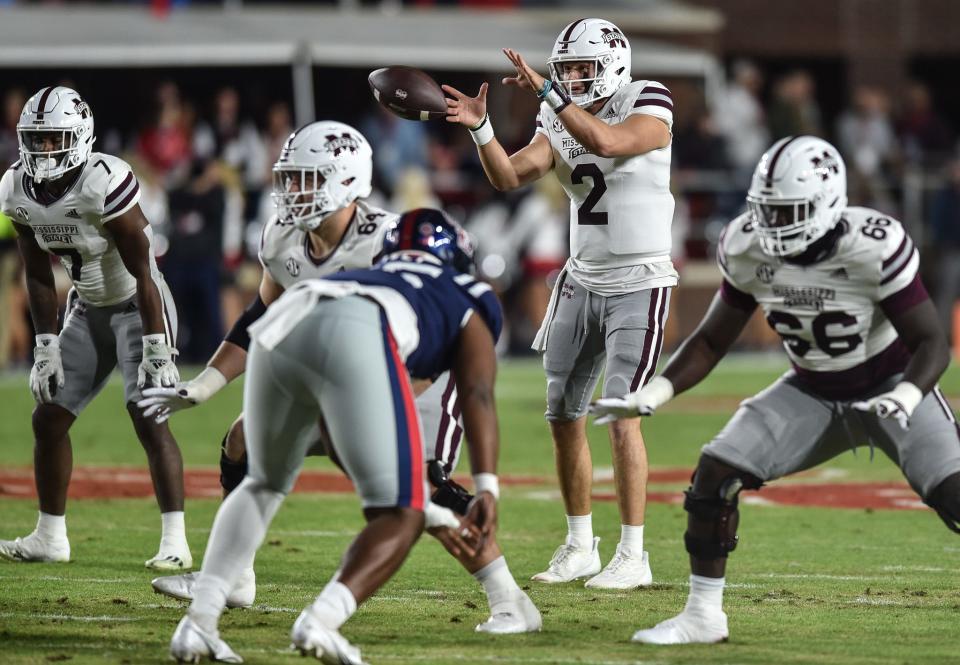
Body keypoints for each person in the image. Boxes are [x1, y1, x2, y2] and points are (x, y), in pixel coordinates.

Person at [141, 122, 541, 634]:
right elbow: (261, 316)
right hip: (336, 370)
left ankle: (506, 597)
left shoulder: (389, 240)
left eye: (308, 179)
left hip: (421, 376)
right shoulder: (282, 236)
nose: (293, 192)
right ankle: (235, 576)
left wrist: (359, 408)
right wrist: (205, 385)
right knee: (243, 441)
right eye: (289, 179)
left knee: (421, 489)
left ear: (348, 182)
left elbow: (437, 325)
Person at [591, 136, 960, 644]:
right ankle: (703, 616)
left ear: (828, 203)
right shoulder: (747, 245)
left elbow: (932, 342)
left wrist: (910, 395)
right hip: (811, 389)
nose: (774, 226)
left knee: (954, 491)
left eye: (789, 212)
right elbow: (712, 338)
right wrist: (654, 393)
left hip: (891, 385)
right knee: (714, 473)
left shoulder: (871, 243)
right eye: (767, 212)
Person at [168, 209, 505, 664]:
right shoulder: (470, 293)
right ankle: (321, 619)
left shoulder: (371, 273)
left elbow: (331, 409)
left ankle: (199, 622)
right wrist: (485, 485)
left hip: (287, 319)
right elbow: (478, 393)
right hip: (357, 333)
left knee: (261, 482)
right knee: (400, 514)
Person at [443, 17, 677, 588]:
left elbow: (608, 141)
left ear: (615, 64)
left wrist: (548, 91)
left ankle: (634, 554)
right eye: (565, 68)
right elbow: (510, 175)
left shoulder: (647, 98)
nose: (571, 78)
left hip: (638, 279)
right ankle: (580, 544)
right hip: (581, 277)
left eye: (582, 69)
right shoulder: (556, 111)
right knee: (563, 414)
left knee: (621, 415)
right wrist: (482, 131)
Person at [0, 86, 189, 569]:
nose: (43, 151)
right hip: (85, 307)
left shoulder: (103, 180)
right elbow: (38, 274)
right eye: (35, 140)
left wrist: (156, 347)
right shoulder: (15, 188)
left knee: (148, 414)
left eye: (53, 139)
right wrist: (45, 347)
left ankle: (175, 540)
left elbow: (145, 270)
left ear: (80, 135)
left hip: (135, 304)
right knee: (49, 417)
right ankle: (50, 536)